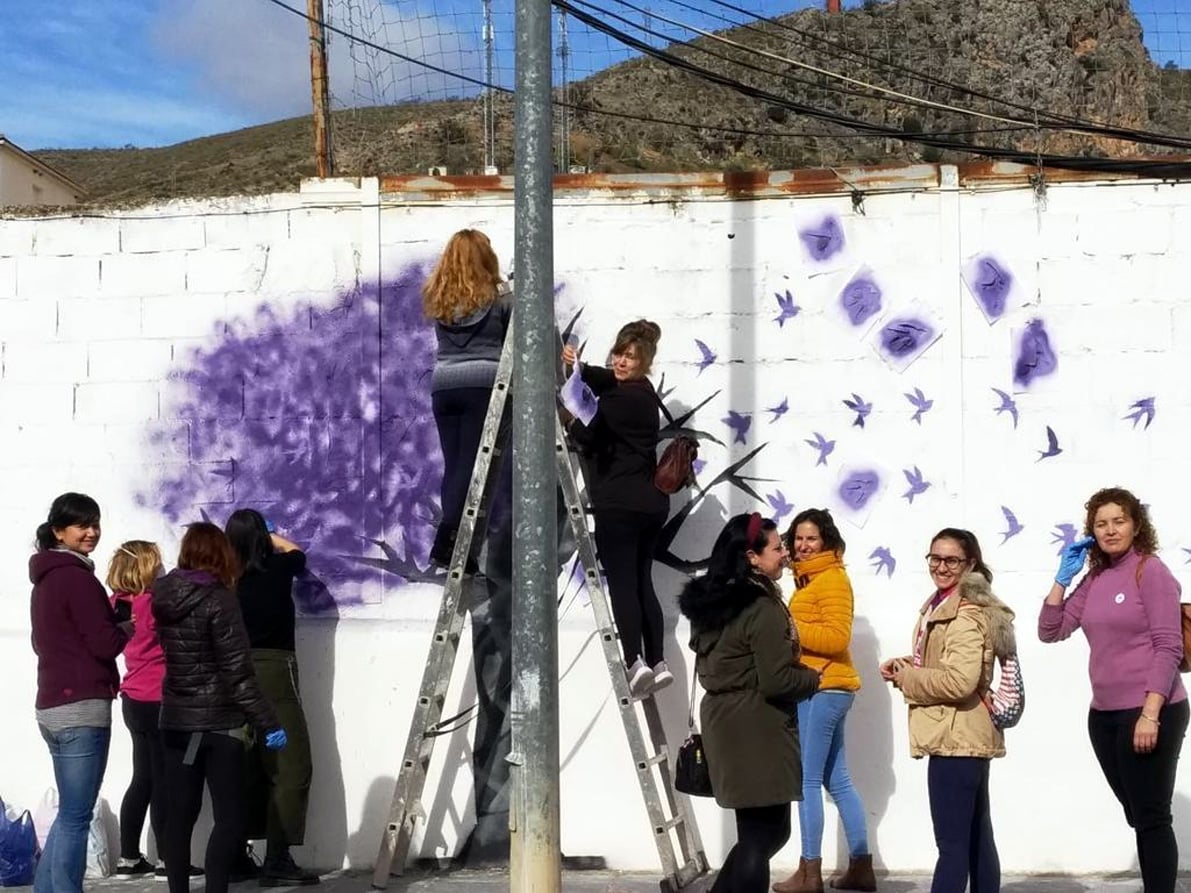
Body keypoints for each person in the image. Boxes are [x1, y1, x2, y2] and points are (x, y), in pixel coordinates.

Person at [1038, 487, 1188, 893]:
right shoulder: (1096, 577)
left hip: (1151, 709)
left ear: (1136, 525)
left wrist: (1150, 714)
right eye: (1100, 524)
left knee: (1152, 815)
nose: (1110, 530)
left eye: (1118, 520)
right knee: (1137, 812)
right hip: (1103, 715)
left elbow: (1169, 646)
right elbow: (1050, 631)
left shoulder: (1150, 571)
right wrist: (1061, 579)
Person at [678, 512, 821, 893]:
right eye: (777, 548)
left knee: (756, 833)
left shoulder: (712, 604)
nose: (785, 554)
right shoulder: (760, 607)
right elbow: (777, 679)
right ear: (752, 556)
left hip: (725, 722)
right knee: (768, 834)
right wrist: (813, 677)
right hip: (758, 726)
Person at [153, 522, 286, 893]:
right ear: (220, 554)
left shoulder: (163, 598)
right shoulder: (220, 600)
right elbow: (237, 673)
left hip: (176, 720)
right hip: (218, 724)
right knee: (230, 817)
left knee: (180, 815)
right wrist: (268, 722)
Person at [880, 528, 1013, 893]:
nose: (941, 566)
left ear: (970, 563)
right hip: (962, 735)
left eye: (951, 560)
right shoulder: (944, 603)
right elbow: (942, 663)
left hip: (955, 736)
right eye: (935, 558)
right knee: (974, 837)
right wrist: (907, 666)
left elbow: (960, 682)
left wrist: (909, 678)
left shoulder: (965, 613)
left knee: (953, 846)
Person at [562, 320, 672, 697]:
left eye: (630, 358)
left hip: (619, 504)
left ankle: (634, 662)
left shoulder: (618, 401)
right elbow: (603, 378)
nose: (621, 362)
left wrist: (569, 418)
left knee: (624, 584)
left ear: (645, 363)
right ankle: (658, 663)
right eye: (619, 354)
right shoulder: (644, 396)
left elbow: (588, 434)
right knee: (643, 581)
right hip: (651, 505)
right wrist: (576, 365)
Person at [30, 492, 131, 893]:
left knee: (69, 814)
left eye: (95, 523)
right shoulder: (77, 578)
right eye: (81, 525)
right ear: (59, 531)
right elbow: (104, 644)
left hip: (51, 706)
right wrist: (126, 625)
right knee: (77, 815)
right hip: (81, 707)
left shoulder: (46, 578)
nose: (91, 532)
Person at [773, 509, 873, 893]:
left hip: (823, 687)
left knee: (807, 781)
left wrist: (790, 627)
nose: (802, 545)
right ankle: (861, 870)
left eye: (811, 538)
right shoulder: (811, 579)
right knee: (837, 779)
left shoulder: (831, 579)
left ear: (827, 542)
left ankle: (809, 872)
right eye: (798, 538)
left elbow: (836, 639)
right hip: (828, 687)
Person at [224, 509, 320, 886]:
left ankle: (233, 851)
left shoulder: (224, 580)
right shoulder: (278, 570)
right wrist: (272, 536)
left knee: (240, 763)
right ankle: (277, 856)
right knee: (289, 762)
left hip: (231, 675)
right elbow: (297, 553)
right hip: (274, 672)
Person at [424, 228, 512, 570]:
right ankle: (449, 542)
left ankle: (453, 541)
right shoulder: (501, 298)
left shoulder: (439, 298)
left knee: (455, 465)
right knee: (473, 467)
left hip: (444, 385)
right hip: (482, 385)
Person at [108, 540, 188, 879]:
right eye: (156, 565)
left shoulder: (117, 604)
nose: (161, 570)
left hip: (132, 699)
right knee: (164, 781)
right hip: (158, 698)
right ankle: (168, 860)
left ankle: (128, 857)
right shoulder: (154, 605)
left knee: (142, 776)